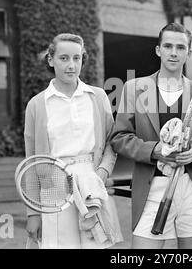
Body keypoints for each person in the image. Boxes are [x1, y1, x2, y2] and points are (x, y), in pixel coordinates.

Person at [110, 23, 192, 249]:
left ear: (189, 53)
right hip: (152, 185)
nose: (173, 52)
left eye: (180, 47)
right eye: (168, 46)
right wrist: (153, 150)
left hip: (190, 188)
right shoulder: (134, 88)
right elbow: (119, 137)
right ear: (158, 50)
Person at [24, 33, 123, 249]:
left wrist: (102, 174)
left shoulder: (97, 97)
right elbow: (31, 163)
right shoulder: (37, 104)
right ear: (51, 60)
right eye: (64, 58)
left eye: (76, 58)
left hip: (91, 185)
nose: (71, 65)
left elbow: (111, 142)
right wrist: (33, 213)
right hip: (54, 190)